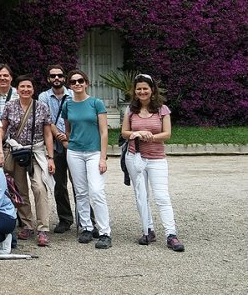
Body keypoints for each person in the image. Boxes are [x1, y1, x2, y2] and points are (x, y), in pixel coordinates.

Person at [121, 74, 184, 252]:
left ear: (152, 90)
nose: (142, 92)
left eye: (145, 88)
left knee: (162, 197)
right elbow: (125, 132)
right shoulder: (130, 110)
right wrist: (137, 132)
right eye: (139, 89)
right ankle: (147, 230)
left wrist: (150, 136)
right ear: (135, 91)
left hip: (156, 159)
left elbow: (167, 134)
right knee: (141, 196)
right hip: (135, 157)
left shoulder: (162, 110)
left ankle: (171, 234)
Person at [0, 75, 55, 247]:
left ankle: (43, 228)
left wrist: (50, 157)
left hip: (36, 151)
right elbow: (2, 129)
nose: (25, 89)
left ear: (33, 89)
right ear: (17, 89)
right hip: (16, 151)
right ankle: (27, 224)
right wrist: (0, 150)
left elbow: (47, 133)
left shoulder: (41, 107)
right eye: (22, 86)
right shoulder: (9, 106)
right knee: (19, 189)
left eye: (29, 87)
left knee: (39, 187)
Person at [61, 69, 113, 249]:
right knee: (80, 192)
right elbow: (68, 129)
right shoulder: (67, 105)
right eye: (73, 81)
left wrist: (103, 157)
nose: (77, 84)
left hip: (93, 152)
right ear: (69, 85)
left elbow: (104, 132)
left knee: (97, 191)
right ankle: (86, 227)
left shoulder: (96, 103)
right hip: (75, 152)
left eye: (80, 80)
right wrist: (68, 143)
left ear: (86, 82)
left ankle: (105, 232)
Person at [38, 65, 75, 234]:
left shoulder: (73, 94)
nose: (56, 78)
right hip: (56, 146)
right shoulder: (43, 96)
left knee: (80, 185)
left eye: (59, 75)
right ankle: (65, 219)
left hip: (75, 143)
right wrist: (60, 136)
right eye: (53, 76)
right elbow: (47, 120)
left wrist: (69, 137)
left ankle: (88, 221)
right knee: (59, 185)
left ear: (64, 77)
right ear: (48, 79)